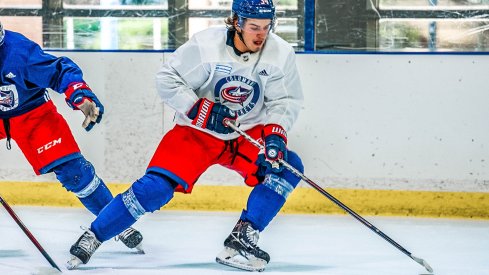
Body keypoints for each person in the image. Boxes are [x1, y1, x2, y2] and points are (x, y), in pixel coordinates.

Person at [67, 0, 304, 271]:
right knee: (154, 189)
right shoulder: (206, 46)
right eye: (254, 27)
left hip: (245, 134)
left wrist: (275, 133)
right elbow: (167, 79)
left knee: (286, 166)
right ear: (237, 22)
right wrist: (199, 109)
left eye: (266, 26)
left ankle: (243, 235)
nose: (261, 35)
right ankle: (94, 236)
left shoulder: (280, 52)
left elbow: (285, 99)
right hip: (197, 133)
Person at [0, 21, 144, 263]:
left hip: (31, 115)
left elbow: (60, 71)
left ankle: (112, 219)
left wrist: (81, 97)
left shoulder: (19, 52)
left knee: (75, 173)